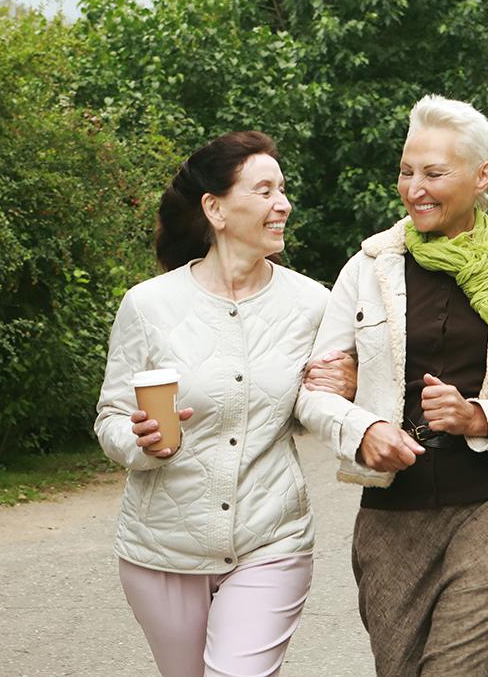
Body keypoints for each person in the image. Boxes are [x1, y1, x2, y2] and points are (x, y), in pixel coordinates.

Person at [295, 95, 488, 676]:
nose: (415, 189)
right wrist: (364, 430)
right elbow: (314, 389)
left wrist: (483, 418)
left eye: (434, 173)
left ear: (483, 176)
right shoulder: (368, 266)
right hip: (391, 515)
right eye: (407, 172)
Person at [94, 131, 355, 677]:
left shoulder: (312, 303)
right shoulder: (148, 305)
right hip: (162, 549)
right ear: (214, 208)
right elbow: (112, 418)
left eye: (282, 190)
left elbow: (326, 398)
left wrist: (346, 383)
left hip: (272, 540)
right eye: (264, 191)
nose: (283, 204)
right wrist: (138, 443)